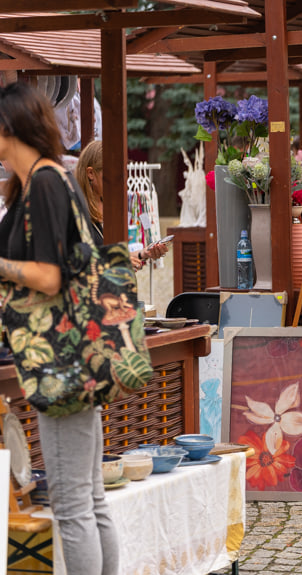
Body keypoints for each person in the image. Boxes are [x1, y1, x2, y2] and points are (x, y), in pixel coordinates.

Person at [0, 82, 119, 574]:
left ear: (12, 129)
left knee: (73, 509)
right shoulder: (44, 181)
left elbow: (48, 275)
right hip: (73, 357)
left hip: (59, 362)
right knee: (90, 501)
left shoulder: (47, 183)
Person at [75, 140, 168, 270]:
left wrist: (143, 253)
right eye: (111, 175)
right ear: (91, 174)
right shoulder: (77, 212)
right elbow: (80, 263)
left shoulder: (109, 208)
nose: (118, 182)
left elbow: (109, 256)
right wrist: (117, 264)